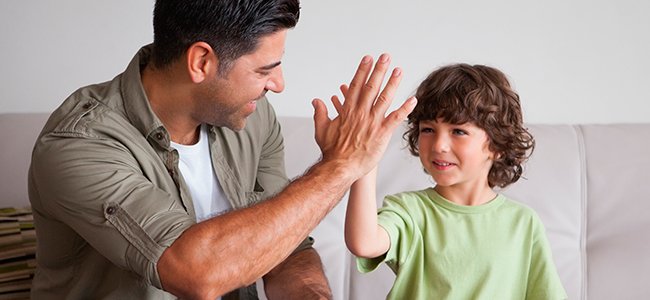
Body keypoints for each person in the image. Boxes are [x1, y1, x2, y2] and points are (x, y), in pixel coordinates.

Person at [27, 0, 416, 299]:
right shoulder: (79, 142)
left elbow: (286, 244)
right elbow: (196, 274)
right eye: (265, 69)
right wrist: (340, 166)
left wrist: (309, 294)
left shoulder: (252, 118)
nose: (278, 84)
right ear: (201, 61)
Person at [344, 64, 568, 299]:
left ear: (497, 145)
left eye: (458, 131)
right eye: (428, 129)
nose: (439, 145)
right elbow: (364, 243)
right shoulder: (410, 211)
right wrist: (365, 159)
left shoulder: (523, 223)